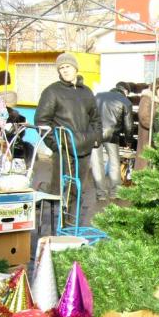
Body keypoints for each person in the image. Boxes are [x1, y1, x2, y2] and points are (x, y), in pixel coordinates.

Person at [34, 53, 102, 222]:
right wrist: (56, 144)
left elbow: (96, 118)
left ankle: (71, 224)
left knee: (78, 189)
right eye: (61, 68)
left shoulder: (87, 92)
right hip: (64, 148)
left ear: (75, 68)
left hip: (85, 148)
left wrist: (96, 138)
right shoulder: (52, 91)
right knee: (59, 189)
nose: (65, 70)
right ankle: (45, 195)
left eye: (68, 67)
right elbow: (42, 121)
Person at [91, 81, 134, 201]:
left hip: (95, 133)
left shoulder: (98, 96)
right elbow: (129, 126)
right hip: (112, 136)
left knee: (96, 163)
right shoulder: (125, 101)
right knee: (114, 163)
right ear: (125, 91)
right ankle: (115, 192)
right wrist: (128, 141)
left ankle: (101, 194)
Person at [135, 77, 159, 170]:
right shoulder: (147, 98)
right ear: (157, 88)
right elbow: (144, 117)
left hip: (157, 140)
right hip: (148, 138)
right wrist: (158, 126)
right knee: (145, 166)